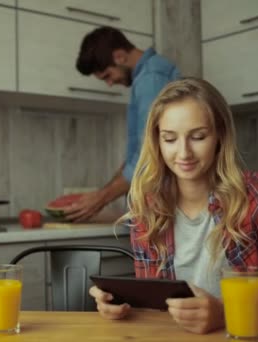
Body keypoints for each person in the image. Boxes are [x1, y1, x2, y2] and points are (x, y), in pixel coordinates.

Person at [88, 78, 258, 334]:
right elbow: (158, 308)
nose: (184, 153)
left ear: (219, 136)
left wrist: (226, 311)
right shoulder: (146, 204)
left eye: (198, 136)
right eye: (170, 139)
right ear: (157, 141)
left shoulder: (252, 193)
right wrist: (121, 303)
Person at [61, 26, 180, 222]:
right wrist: (103, 193)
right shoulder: (147, 76)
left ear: (120, 56)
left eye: (107, 75)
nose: (109, 83)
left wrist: (101, 198)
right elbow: (137, 153)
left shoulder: (151, 79)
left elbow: (148, 154)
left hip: (165, 209)